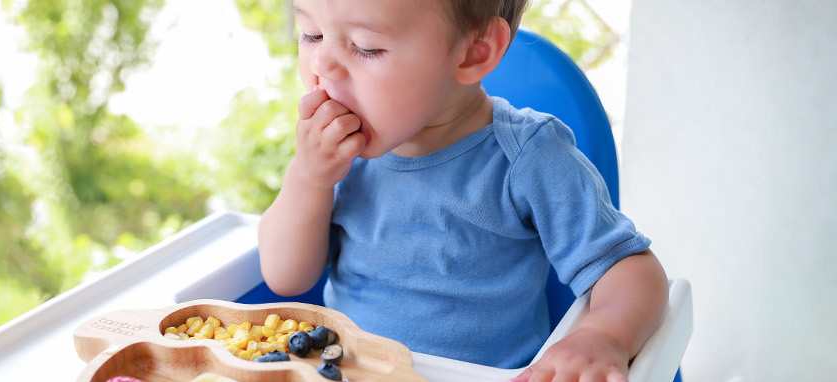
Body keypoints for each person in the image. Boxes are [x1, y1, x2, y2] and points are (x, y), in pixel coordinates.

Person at [256, 0, 669, 381]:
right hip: (348, 370)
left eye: (366, 47)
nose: (322, 63)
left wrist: (604, 335)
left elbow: (630, 267)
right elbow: (286, 278)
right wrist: (309, 177)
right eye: (311, 34)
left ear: (474, 51)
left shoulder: (527, 158)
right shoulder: (335, 154)